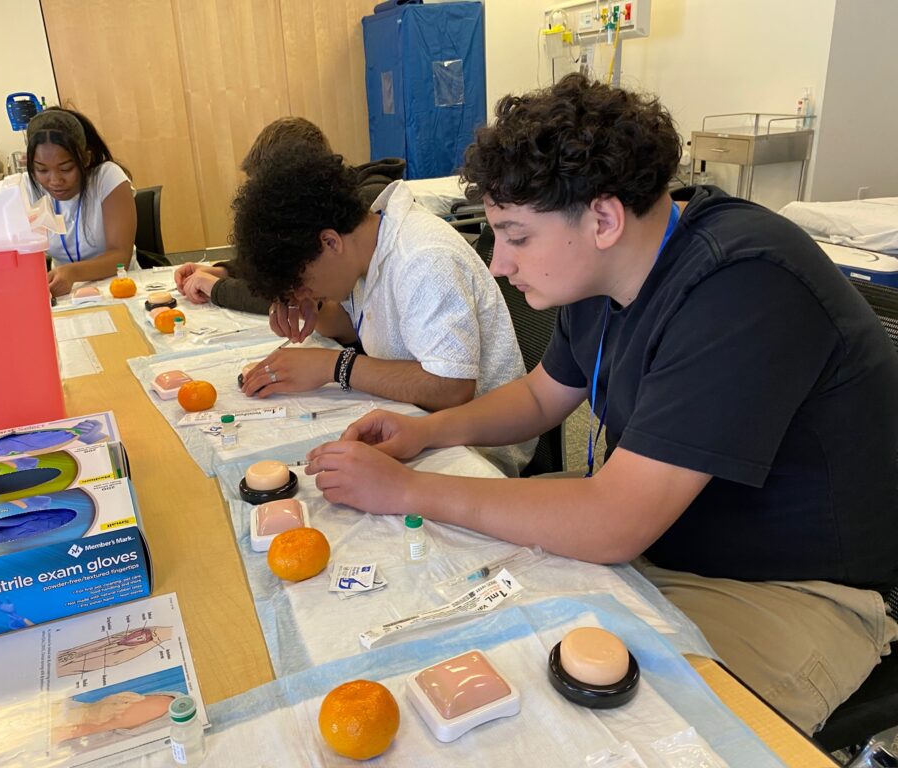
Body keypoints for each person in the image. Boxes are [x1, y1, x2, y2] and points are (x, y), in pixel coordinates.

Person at [304, 74, 898, 734]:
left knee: (600, 726)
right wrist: (425, 434)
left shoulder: (743, 284)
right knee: (451, 593)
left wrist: (408, 489)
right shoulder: (605, 271)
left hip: (787, 588)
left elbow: (614, 520)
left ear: (604, 219)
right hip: (662, 541)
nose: (499, 264)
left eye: (516, 236)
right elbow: (541, 396)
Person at [232, 144, 532, 475]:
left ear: (330, 242)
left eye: (302, 282)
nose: (303, 292)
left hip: (479, 450)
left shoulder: (422, 258)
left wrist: (333, 366)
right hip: (419, 422)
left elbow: (451, 388)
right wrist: (309, 304)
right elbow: (355, 323)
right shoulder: (366, 247)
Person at [175, 116, 405, 313]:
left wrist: (217, 288)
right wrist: (226, 270)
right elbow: (292, 262)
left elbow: (309, 284)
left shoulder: (365, 207)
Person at [0, 107, 136, 297]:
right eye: (42, 170)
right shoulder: (24, 188)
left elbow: (120, 256)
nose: (55, 180)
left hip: (118, 286)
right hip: (64, 292)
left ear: (85, 159)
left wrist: (72, 273)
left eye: (66, 168)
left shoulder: (107, 178)